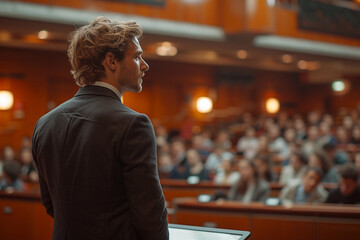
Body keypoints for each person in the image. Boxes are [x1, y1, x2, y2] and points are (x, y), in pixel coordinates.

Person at [32, 17, 168, 240]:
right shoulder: (133, 124)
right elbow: (150, 217)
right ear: (111, 61)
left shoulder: (45, 123)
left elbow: (51, 205)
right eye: (137, 56)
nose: (145, 65)